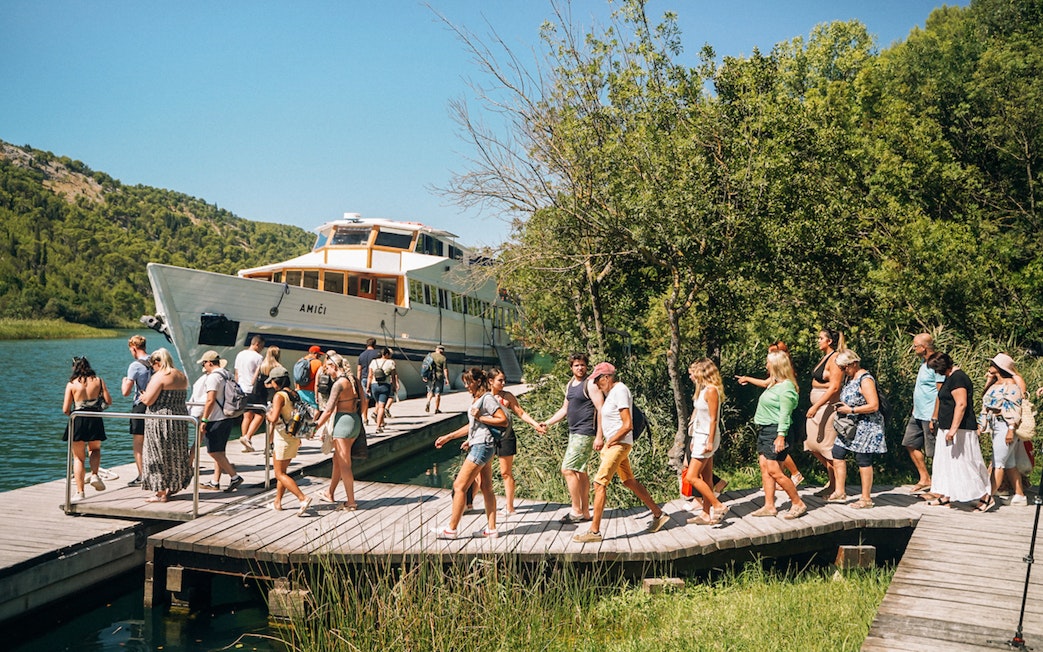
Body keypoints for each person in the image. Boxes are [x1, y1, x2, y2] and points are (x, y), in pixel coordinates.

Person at [573, 362, 671, 543]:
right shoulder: (612, 393)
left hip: (619, 445)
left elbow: (628, 424)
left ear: (607, 377)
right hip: (617, 445)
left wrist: (611, 441)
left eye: (598, 381)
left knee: (599, 483)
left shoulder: (620, 391)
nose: (596, 385)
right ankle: (659, 514)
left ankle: (594, 532)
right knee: (629, 481)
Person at [434, 368, 510, 538]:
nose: (467, 385)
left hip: (482, 446)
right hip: (483, 444)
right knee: (486, 487)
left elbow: (502, 420)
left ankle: (451, 529)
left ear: (477, 381)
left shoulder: (487, 398)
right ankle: (491, 529)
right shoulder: (478, 399)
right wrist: (449, 437)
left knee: (459, 486)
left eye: (469, 382)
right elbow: (473, 426)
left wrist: (480, 418)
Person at [738, 351, 807, 519]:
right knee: (765, 468)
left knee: (775, 471)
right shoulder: (775, 382)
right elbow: (763, 383)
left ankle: (798, 503)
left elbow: (785, 413)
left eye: (768, 363)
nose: (766, 365)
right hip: (765, 430)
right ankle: (769, 506)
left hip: (776, 431)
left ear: (776, 365)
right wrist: (747, 378)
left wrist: (781, 435)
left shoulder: (787, 387)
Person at [539, 353, 604, 523]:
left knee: (567, 469)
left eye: (582, 365)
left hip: (585, 432)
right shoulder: (570, 384)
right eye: (576, 365)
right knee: (581, 471)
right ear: (571, 367)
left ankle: (575, 511)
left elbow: (601, 409)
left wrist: (599, 436)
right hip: (573, 432)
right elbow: (564, 409)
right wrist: (548, 422)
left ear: (586, 366)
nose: (580, 368)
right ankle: (585, 512)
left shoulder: (590, 384)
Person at [926, 352, 992, 510]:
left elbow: (961, 404)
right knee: (946, 462)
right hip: (946, 427)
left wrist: (953, 429)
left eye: (936, 369)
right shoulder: (950, 377)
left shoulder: (958, 378)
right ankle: (946, 495)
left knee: (963, 462)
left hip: (960, 429)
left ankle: (985, 496)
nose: (936, 373)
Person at [830, 349, 886, 509]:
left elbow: (874, 405)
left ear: (854, 363)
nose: (843, 371)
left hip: (866, 425)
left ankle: (866, 498)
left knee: (863, 458)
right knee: (837, 452)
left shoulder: (865, 379)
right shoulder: (850, 377)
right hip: (849, 425)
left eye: (844, 367)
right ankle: (840, 491)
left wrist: (852, 410)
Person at [138, 348, 193, 503]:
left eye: (152, 365)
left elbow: (149, 400)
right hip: (179, 419)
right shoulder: (181, 375)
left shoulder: (160, 376)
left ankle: (160, 492)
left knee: (157, 453)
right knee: (176, 453)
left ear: (157, 362)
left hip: (160, 420)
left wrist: (143, 397)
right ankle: (173, 486)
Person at [489, 367, 547, 515]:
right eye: (500, 380)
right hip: (488, 437)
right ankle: (469, 503)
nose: (503, 383)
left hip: (506, 437)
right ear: (491, 381)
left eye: (504, 380)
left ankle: (510, 507)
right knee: (480, 471)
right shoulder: (485, 398)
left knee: (505, 473)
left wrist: (536, 425)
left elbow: (520, 412)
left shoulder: (507, 396)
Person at [314, 354, 365, 510]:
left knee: (345, 465)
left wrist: (315, 427)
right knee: (338, 460)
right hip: (355, 421)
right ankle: (330, 493)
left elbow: (328, 410)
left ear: (334, 367)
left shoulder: (339, 384)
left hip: (342, 424)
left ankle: (351, 502)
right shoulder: (354, 380)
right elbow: (364, 402)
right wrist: (356, 418)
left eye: (328, 368)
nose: (327, 371)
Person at [683, 358, 729, 525]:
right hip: (700, 435)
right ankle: (705, 514)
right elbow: (699, 419)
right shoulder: (702, 390)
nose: (690, 377)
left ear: (701, 372)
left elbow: (713, 419)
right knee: (707, 477)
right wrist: (694, 437)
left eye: (692, 373)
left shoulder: (711, 391)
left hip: (707, 437)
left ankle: (718, 505)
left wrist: (709, 441)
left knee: (691, 477)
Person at [265, 366, 315, 515]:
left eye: (272, 382)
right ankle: (277, 502)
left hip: (283, 438)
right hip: (294, 436)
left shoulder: (279, 396)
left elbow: (273, 419)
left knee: (279, 474)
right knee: (283, 472)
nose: (271, 385)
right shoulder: (294, 393)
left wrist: (267, 413)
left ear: (276, 381)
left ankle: (302, 498)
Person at [62, 356, 113, 502]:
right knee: (95, 450)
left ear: (74, 367)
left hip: (78, 419)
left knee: (78, 458)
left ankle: (80, 492)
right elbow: (109, 401)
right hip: (95, 418)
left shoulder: (72, 384)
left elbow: (66, 409)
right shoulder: (98, 380)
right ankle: (95, 474)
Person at [980, 353, 1026, 506]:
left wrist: (1011, 429)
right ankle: (1019, 495)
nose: (990, 366)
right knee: (1009, 463)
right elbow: (985, 404)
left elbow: (1014, 409)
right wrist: (982, 425)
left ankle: (987, 497)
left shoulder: (1011, 385)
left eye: (993, 364)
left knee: (997, 463)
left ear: (1000, 368)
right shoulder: (995, 384)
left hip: (1005, 425)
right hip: (995, 424)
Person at [197, 350, 244, 492]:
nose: (203, 367)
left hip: (215, 418)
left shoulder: (212, 378)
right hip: (227, 417)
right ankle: (215, 481)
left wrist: (204, 419)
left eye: (204, 363)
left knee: (213, 452)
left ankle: (234, 476)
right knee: (220, 451)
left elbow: (210, 399)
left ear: (209, 363)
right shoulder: (227, 374)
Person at [804, 330, 844, 497]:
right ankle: (832, 481)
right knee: (813, 445)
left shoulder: (835, 359)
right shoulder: (825, 357)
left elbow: (835, 386)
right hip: (819, 407)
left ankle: (838, 487)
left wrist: (816, 406)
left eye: (820, 338)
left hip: (826, 407)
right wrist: (819, 385)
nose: (818, 341)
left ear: (829, 341)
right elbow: (818, 380)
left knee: (826, 446)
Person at [903, 333, 944, 493]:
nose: (913, 348)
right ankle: (925, 478)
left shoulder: (937, 364)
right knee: (910, 443)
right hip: (918, 413)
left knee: (933, 452)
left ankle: (939, 485)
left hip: (930, 415)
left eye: (915, 346)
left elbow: (940, 393)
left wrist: (935, 416)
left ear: (924, 347)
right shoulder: (923, 362)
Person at [120, 334, 152, 487]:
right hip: (154, 405)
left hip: (140, 406)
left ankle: (141, 476)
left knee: (138, 443)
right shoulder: (155, 360)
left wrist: (124, 381)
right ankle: (153, 473)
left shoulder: (135, 366)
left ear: (133, 348)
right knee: (153, 441)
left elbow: (125, 392)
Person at [234, 335, 266, 452]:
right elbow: (258, 374)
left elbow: (236, 373)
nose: (262, 349)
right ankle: (247, 437)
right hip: (252, 389)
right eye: (261, 346)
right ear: (257, 344)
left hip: (241, 389)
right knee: (260, 414)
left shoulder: (240, 354)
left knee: (246, 415)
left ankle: (245, 442)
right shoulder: (258, 357)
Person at [368, 347, 397, 434]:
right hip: (385, 386)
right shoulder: (391, 362)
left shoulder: (373, 362)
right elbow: (393, 376)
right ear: (387, 354)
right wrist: (394, 386)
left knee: (378, 403)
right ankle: (378, 427)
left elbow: (370, 375)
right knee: (381, 407)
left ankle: (382, 422)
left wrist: (367, 387)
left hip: (374, 385)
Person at [357, 337, 380, 425]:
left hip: (364, 378)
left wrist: (358, 380)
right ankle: (375, 412)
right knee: (378, 398)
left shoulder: (361, 355)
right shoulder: (377, 353)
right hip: (374, 378)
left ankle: (365, 419)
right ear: (375, 344)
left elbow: (359, 369)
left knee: (365, 399)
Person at [295, 345, 324, 410]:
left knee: (301, 411)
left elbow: (296, 377)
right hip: (311, 392)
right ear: (315, 353)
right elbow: (318, 380)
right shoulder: (318, 363)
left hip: (300, 391)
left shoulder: (300, 361)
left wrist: (296, 388)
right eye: (319, 355)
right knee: (314, 411)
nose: (319, 357)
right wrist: (317, 396)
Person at [424, 345, 448, 414]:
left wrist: (424, 375)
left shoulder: (430, 355)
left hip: (430, 376)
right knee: (437, 393)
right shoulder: (443, 358)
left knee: (430, 391)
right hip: (439, 376)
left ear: (436, 349)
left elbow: (425, 365)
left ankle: (428, 401)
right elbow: (445, 370)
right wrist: (446, 379)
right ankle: (437, 409)